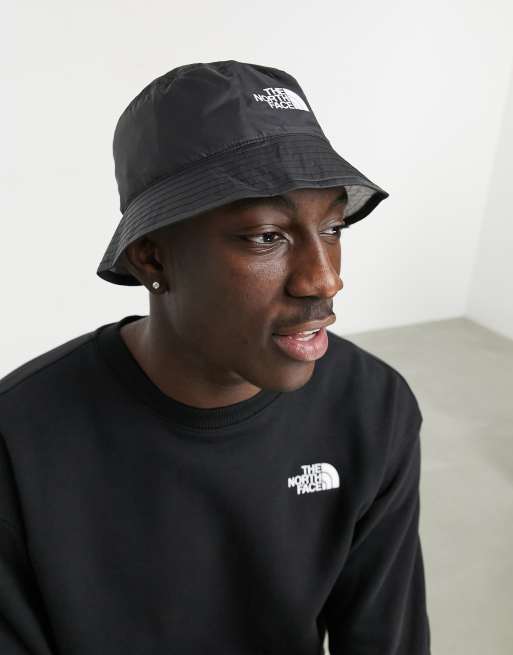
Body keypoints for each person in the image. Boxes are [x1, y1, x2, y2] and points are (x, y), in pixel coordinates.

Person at [0, 60, 431, 654]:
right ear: (152, 258)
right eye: (266, 236)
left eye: (333, 229)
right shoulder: (19, 442)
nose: (324, 279)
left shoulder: (373, 408)